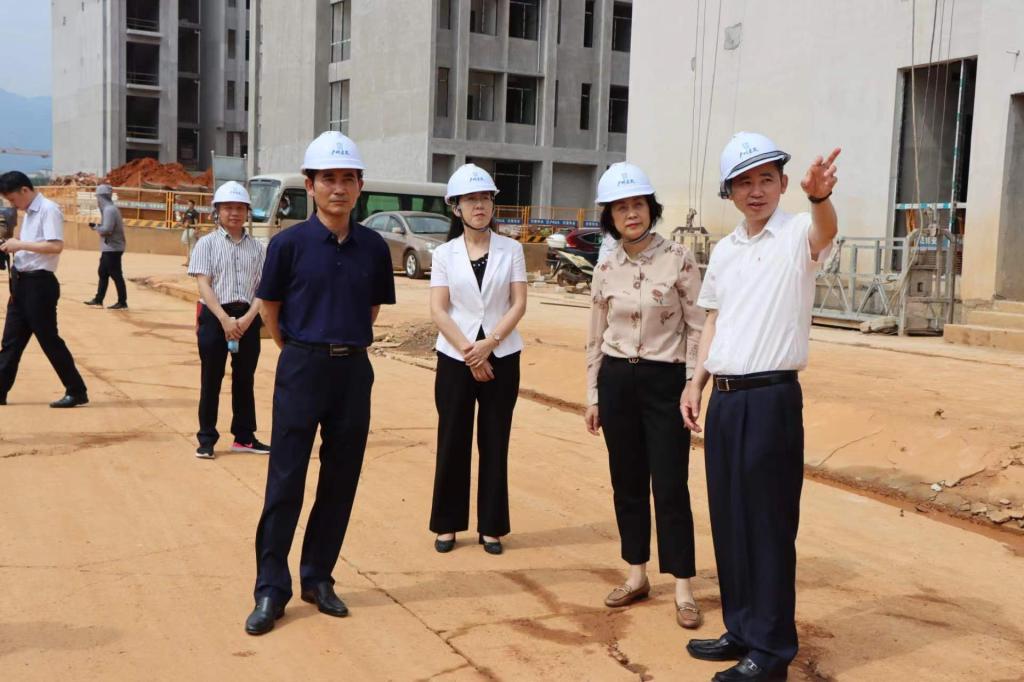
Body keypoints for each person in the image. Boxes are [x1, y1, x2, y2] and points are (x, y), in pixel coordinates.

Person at [682, 133, 840, 682]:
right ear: (729, 192)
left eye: (766, 179)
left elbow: (826, 232)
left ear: (782, 184)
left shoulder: (798, 233)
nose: (756, 191)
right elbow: (714, 321)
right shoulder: (726, 250)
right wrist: (695, 383)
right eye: (744, 182)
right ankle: (742, 628)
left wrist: (820, 198)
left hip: (772, 399)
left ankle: (771, 651)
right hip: (725, 400)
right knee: (729, 519)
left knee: (768, 524)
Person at [245, 131, 395, 635]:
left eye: (348, 178)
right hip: (302, 366)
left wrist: (341, 345)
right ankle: (271, 588)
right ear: (309, 185)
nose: (338, 188)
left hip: (353, 371)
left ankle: (318, 578)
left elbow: (371, 308)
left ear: (360, 186)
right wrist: (297, 350)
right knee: (285, 479)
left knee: (340, 479)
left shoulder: (373, 247)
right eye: (328, 178)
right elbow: (271, 308)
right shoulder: (287, 244)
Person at [583, 162, 706, 629]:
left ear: (651, 208)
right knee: (627, 482)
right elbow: (595, 335)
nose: (630, 214)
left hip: (665, 382)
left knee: (671, 484)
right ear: (610, 216)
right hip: (617, 381)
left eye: (637, 205)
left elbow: (698, 327)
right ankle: (636, 574)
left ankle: (683, 587)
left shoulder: (678, 258)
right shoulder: (605, 266)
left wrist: (693, 383)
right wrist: (593, 393)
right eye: (620, 208)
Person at [428, 164, 528, 556]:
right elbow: (439, 309)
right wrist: (471, 353)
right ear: (456, 207)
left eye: (485, 198)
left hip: (502, 354)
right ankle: (447, 523)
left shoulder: (512, 249)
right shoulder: (444, 254)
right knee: (452, 438)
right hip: (456, 357)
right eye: (471, 199)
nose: (480, 205)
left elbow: (518, 303)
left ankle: (492, 526)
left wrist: (491, 343)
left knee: (495, 440)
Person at [187, 181, 268, 460]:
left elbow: (263, 289)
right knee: (211, 379)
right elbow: (203, 284)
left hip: (248, 317)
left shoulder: (259, 249)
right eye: (228, 208)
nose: (234, 213)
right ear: (217, 211)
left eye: (240, 208)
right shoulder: (206, 244)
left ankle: (244, 437)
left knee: (245, 379)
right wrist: (224, 320)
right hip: (215, 317)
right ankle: (206, 438)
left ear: (247, 212)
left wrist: (247, 319)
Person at [0, 171, 88, 408]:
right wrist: (11, 246)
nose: (12, 204)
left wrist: (20, 244)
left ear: (24, 190)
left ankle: (76, 390)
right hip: (22, 283)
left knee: (49, 340)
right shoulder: (29, 212)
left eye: (12, 199)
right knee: (11, 341)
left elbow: (55, 246)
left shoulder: (48, 210)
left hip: (39, 285)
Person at [83, 184, 128, 309]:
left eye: (98, 197)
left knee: (116, 274)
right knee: (103, 272)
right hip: (110, 247)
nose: (97, 201)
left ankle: (122, 302)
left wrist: (96, 227)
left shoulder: (109, 210)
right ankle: (98, 300)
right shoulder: (110, 209)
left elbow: (107, 229)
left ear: (101, 197)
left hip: (113, 248)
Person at [180, 199, 200, 267]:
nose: (189, 205)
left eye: (190, 204)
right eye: (188, 204)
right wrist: (183, 224)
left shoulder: (195, 212)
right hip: (187, 229)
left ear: (193, 205)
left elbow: (196, 222)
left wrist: (196, 230)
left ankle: (191, 262)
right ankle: (188, 261)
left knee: (192, 246)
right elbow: (184, 220)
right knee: (185, 242)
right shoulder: (187, 211)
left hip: (192, 229)